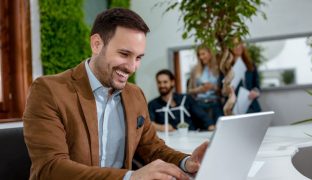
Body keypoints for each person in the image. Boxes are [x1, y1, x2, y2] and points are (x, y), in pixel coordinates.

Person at [23, 8, 208, 180]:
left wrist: (186, 162)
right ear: (96, 44)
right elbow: (50, 168)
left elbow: (152, 148)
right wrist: (130, 177)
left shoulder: (135, 95)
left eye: (138, 58)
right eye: (124, 54)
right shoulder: (48, 91)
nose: (131, 67)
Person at [148, 69, 216, 132]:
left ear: (172, 82)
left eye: (165, 82)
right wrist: (161, 127)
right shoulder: (152, 105)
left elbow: (202, 116)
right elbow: (149, 124)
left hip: (191, 138)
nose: (162, 85)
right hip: (168, 140)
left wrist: (211, 127)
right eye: (159, 82)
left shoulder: (186, 99)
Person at [187, 45, 224, 122]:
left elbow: (224, 90)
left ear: (210, 53)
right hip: (200, 104)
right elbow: (189, 91)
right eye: (199, 55)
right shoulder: (195, 70)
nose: (201, 57)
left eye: (203, 54)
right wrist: (199, 90)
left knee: (219, 128)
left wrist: (213, 87)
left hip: (216, 104)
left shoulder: (219, 69)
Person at [230, 40, 262, 113]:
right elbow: (221, 89)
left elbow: (257, 86)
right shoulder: (227, 67)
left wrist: (255, 91)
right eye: (234, 45)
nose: (238, 47)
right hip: (234, 106)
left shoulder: (250, 64)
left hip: (251, 103)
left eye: (239, 44)